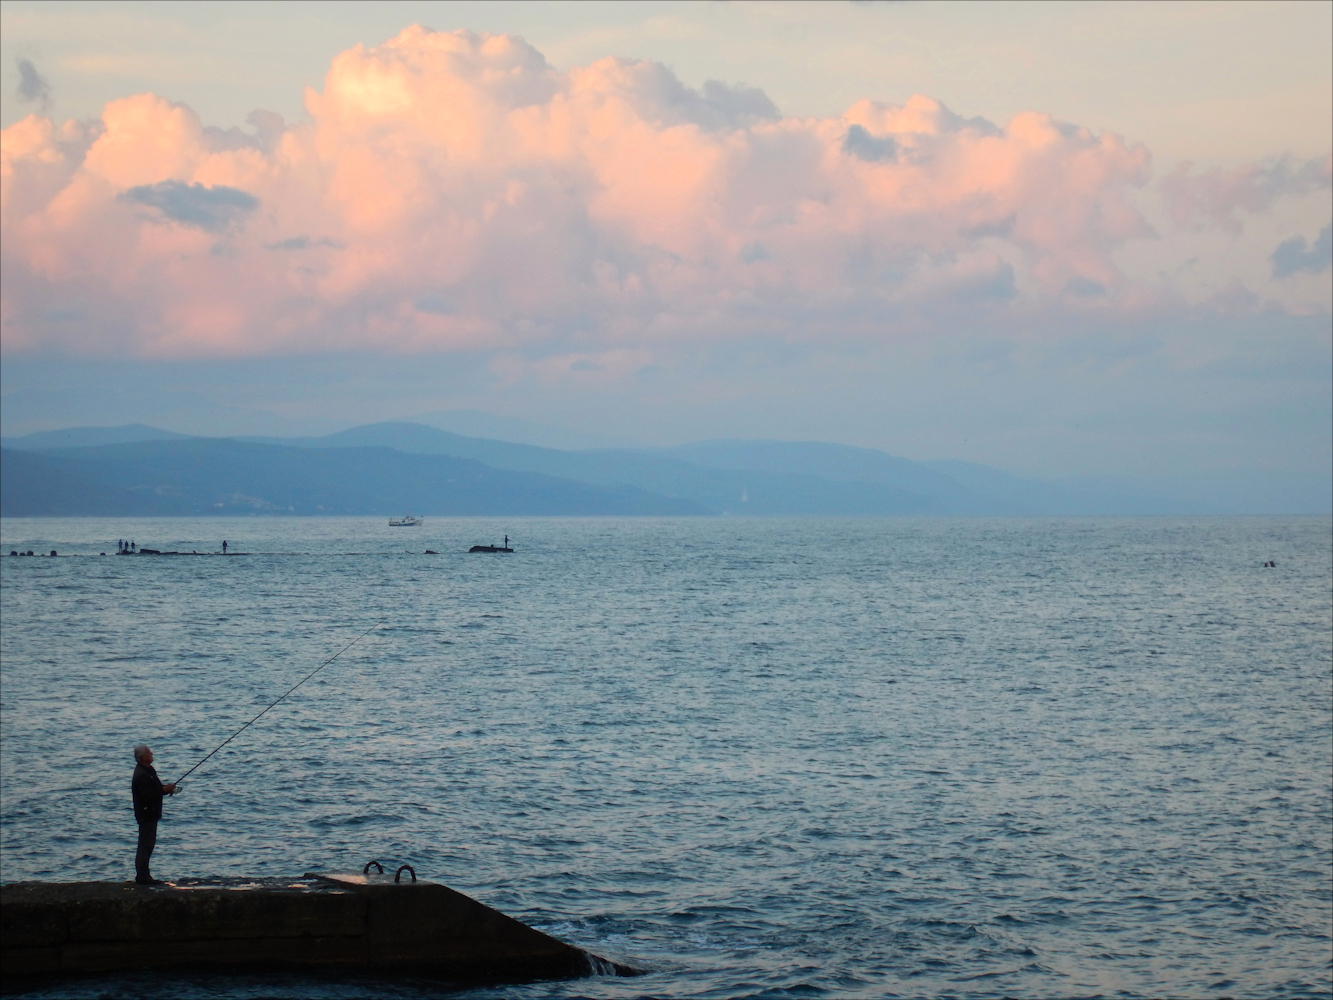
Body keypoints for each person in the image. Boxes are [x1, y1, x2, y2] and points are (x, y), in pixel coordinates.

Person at [131, 744, 177, 884]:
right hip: (146, 814)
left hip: (150, 813)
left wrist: (165, 789)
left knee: (148, 844)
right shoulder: (142, 775)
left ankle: (144, 875)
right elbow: (149, 796)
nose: (152, 753)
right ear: (144, 757)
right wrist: (164, 790)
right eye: (149, 752)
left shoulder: (148, 771)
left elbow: (155, 789)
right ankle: (143, 876)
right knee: (145, 845)